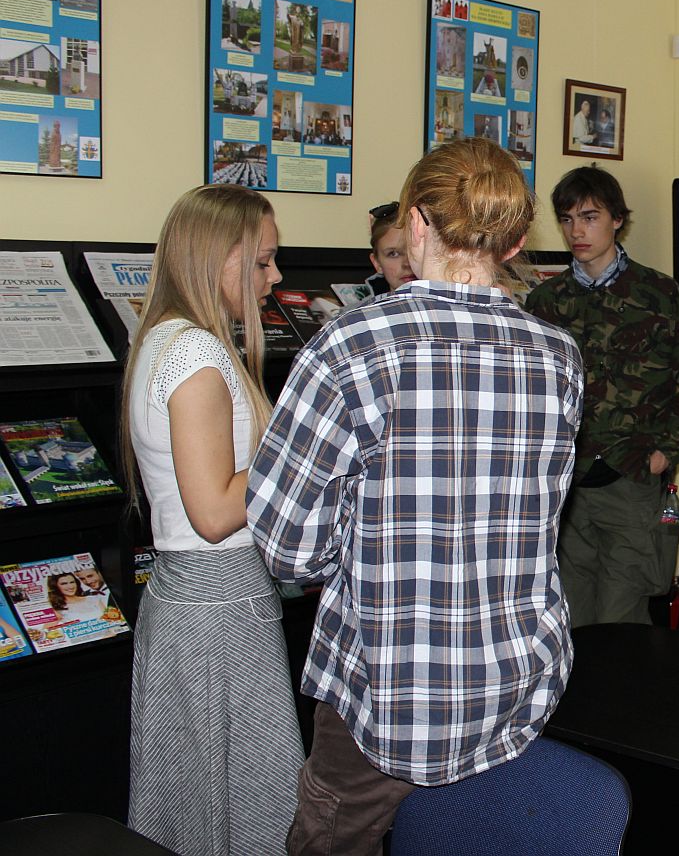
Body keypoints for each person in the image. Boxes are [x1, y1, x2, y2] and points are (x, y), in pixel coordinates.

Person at [248, 139, 584, 856]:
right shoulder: (559, 358)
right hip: (517, 680)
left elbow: (288, 547)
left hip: (387, 685)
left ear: (413, 224)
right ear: (518, 241)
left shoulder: (350, 344)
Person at [119, 183, 301, 854]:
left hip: (193, 601)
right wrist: (299, 451)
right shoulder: (196, 354)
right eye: (261, 262)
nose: (275, 277)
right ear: (214, 258)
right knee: (247, 810)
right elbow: (216, 511)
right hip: (217, 604)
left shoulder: (167, 340)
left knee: (194, 806)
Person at [524, 166, 679, 627]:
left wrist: (665, 453)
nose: (577, 231)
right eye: (567, 219)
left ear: (617, 220)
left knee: (621, 621)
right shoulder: (546, 301)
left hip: (630, 478)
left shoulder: (658, 293)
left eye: (589, 217)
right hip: (566, 485)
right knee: (568, 622)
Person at [365, 201, 416, 296]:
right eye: (393, 254)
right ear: (377, 263)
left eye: (414, 250)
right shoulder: (360, 310)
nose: (407, 263)